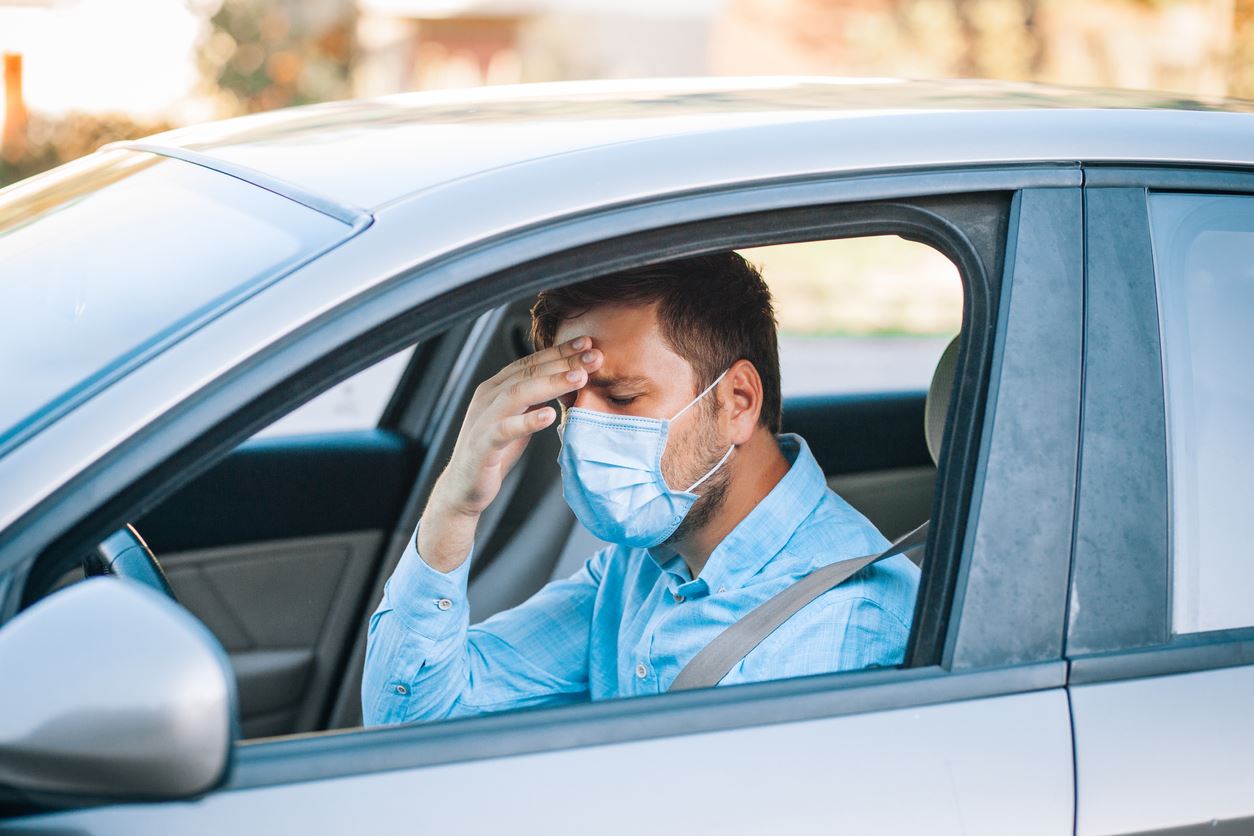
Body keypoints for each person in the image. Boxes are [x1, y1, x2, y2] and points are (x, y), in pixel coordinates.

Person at [362, 252, 919, 725]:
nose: (581, 433)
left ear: (738, 403)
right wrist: (456, 509)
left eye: (623, 399)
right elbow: (409, 716)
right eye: (569, 404)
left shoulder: (843, 621)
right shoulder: (636, 570)